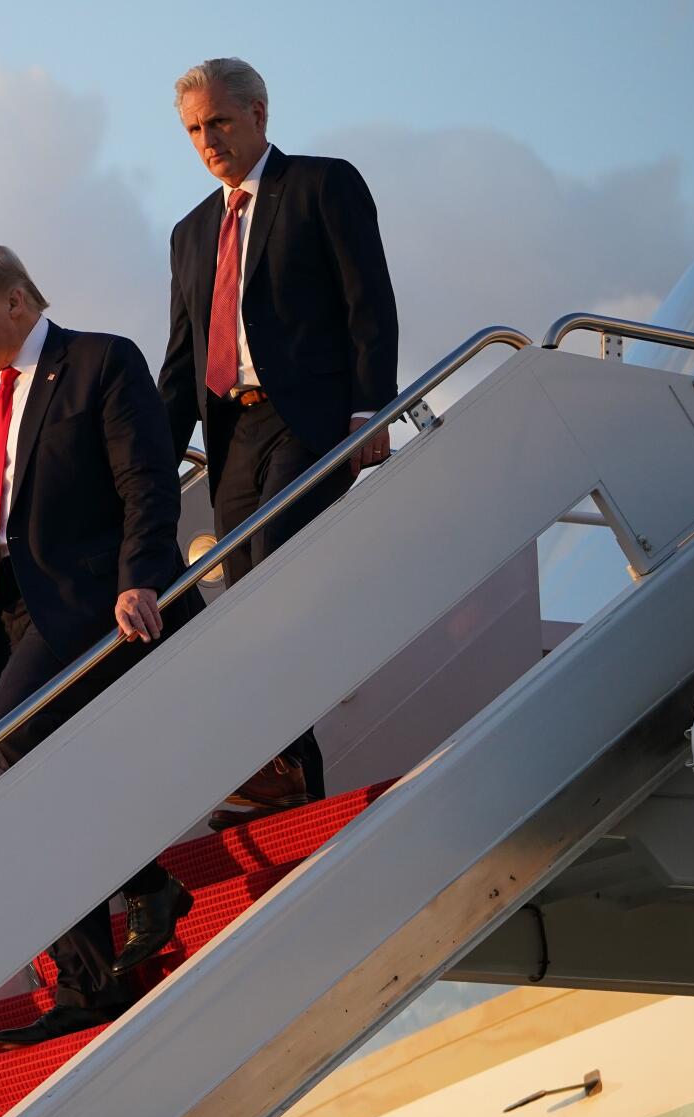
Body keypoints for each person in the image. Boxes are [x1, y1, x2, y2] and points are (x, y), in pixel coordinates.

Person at [0, 246, 200, 1049]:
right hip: (12, 619)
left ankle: (129, 912)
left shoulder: (100, 361)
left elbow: (144, 480)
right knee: (37, 783)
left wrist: (142, 577)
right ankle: (124, 920)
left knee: (14, 733)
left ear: (16, 300)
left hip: (90, 600)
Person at [157, 57, 399, 825]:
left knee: (271, 580)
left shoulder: (324, 185)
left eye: (220, 122)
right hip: (231, 435)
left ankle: (282, 775)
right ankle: (296, 785)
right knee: (248, 608)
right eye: (195, 129)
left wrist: (372, 410)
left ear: (259, 114)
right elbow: (181, 360)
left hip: (314, 419)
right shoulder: (190, 231)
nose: (208, 139)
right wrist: (149, 469)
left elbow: (369, 301)